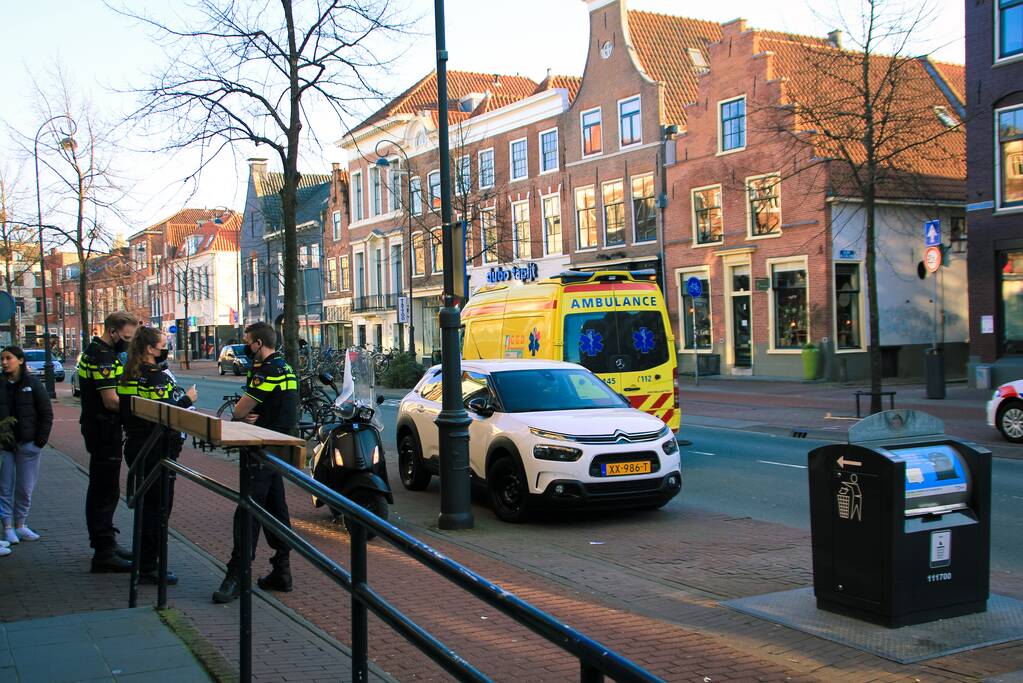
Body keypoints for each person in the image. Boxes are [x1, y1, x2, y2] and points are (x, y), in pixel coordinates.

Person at [213, 321, 297, 603]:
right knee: (276, 508)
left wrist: (241, 415)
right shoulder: (285, 367)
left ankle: (237, 575)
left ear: (259, 343)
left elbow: (240, 410)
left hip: (260, 448)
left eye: (248, 341)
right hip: (279, 448)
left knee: (247, 511)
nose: (247, 346)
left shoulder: (268, 371)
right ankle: (281, 571)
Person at [117, 327, 197, 584]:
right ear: (151, 349)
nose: (166, 348)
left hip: (135, 445)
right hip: (157, 449)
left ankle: (144, 561)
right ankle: (150, 567)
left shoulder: (130, 373)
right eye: (163, 344)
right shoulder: (156, 377)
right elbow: (168, 413)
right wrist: (187, 398)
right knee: (158, 509)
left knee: (146, 506)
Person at [80, 311, 138, 572]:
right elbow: (110, 400)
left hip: (100, 428)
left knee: (105, 488)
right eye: (126, 337)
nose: (128, 342)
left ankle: (107, 542)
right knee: (105, 490)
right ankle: (103, 551)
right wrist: (139, 409)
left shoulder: (98, 351)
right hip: (103, 429)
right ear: (112, 331)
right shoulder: (102, 356)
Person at [0, 346, 51, 548]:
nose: (4, 362)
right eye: (2, 359)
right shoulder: (0, 384)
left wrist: (39, 441)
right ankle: (8, 528)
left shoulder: (33, 384)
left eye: (8, 358)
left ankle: (21, 524)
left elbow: (46, 412)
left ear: (20, 360)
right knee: (5, 487)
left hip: (28, 444)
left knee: (25, 487)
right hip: (5, 445)